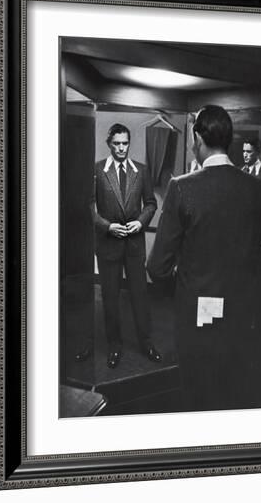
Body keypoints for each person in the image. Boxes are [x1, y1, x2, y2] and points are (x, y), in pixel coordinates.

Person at [147, 105, 261, 410]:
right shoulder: (257, 189)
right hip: (242, 316)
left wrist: (186, 285)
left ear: (197, 138)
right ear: (228, 141)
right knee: (233, 395)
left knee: (196, 396)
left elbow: (157, 266)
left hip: (196, 318)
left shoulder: (182, 188)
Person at [91, 123, 162, 368]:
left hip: (134, 245)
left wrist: (141, 222)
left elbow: (151, 203)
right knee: (110, 297)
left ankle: (146, 342)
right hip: (108, 244)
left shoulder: (140, 171)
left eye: (125, 143)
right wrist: (106, 226)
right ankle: (114, 346)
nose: (122, 148)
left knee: (140, 296)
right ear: (109, 144)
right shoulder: (98, 170)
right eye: (117, 143)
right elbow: (89, 207)